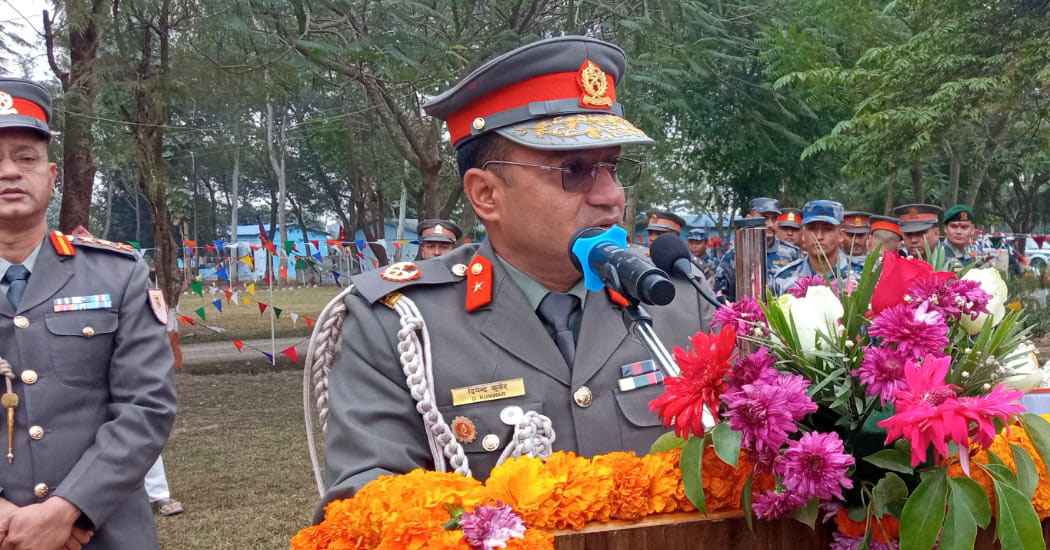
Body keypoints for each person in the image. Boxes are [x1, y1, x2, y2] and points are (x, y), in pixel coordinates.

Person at [316, 36, 717, 521]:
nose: (611, 195)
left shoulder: (679, 301)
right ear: (486, 194)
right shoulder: (399, 325)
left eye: (611, 166)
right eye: (574, 170)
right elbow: (370, 512)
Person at [0, 78, 176, 549]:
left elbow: (147, 406)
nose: (10, 171)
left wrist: (66, 510)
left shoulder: (118, 275)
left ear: (52, 175)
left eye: (26, 158)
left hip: (102, 532)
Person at [713, 197, 800, 301]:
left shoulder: (791, 253)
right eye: (764, 218)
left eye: (774, 219)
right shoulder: (734, 255)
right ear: (748, 219)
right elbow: (720, 294)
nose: (770, 225)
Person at [771, 200, 860, 296]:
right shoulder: (783, 279)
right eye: (812, 229)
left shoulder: (861, 276)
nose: (819, 237)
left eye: (827, 229)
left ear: (840, 235)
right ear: (803, 235)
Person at [940, 204, 977, 269]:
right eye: (954, 226)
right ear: (945, 228)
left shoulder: (969, 257)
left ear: (972, 229)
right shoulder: (938, 256)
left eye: (964, 227)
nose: (958, 232)